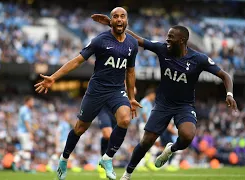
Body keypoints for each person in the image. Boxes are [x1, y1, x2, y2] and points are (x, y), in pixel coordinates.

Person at [91, 14, 237, 180]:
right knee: (146, 141)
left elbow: (225, 75)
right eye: (167, 36)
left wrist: (229, 94)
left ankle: (170, 149)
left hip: (184, 105)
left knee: (188, 136)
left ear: (182, 40)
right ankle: (127, 174)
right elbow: (139, 40)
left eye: (171, 37)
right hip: (163, 105)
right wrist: (114, 24)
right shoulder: (162, 49)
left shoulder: (199, 59)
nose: (167, 40)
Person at [34, 7, 141, 180]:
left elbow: (130, 72)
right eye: (115, 17)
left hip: (116, 90)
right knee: (80, 128)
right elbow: (77, 61)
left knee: (125, 119)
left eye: (122, 16)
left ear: (127, 19)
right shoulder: (100, 40)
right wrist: (53, 78)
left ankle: (107, 158)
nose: (119, 19)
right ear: (111, 20)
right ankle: (64, 159)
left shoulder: (132, 44)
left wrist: (132, 97)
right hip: (97, 90)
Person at [12, 96, 35, 173]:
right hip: (24, 132)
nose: (33, 103)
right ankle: (26, 168)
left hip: (20, 132)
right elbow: (26, 122)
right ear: (27, 101)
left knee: (24, 150)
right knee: (27, 150)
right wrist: (30, 133)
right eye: (32, 101)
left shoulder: (22, 109)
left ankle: (15, 161)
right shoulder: (26, 110)